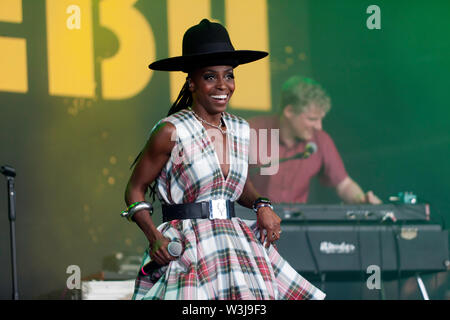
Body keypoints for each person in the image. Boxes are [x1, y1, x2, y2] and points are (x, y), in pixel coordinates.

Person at [123, 19, 325, 300]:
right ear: (191, 82)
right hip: (188, 243)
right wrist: (154, 237)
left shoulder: (241, 129)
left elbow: (234, 185)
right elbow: (134, 189)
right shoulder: (171, 131)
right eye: (210, 77)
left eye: (229, 75)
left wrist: (261, 205)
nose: (223, 85)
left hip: (235, 242)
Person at [248, 75, 382, 204]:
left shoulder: (320, 140)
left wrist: (361, 199)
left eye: (321, 119)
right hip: (249, 221)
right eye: (312, 119)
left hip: (295, 225)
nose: (319, 126)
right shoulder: (250, 131)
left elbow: (344, 184)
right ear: (289, 111)